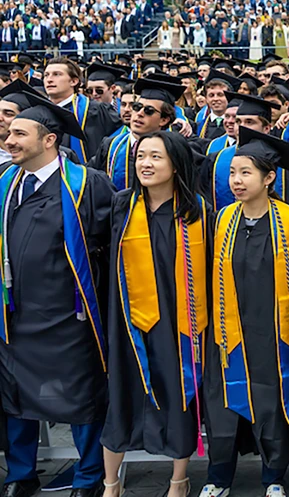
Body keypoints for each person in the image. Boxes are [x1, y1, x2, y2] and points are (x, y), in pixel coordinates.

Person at [0, 94, 115, 497]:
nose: (9, 139)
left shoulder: (88, 184)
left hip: (69, 316)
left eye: (19, 133)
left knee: (80, 396)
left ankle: (88, 477)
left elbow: (106, 246)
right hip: (15, 316)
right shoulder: (4, 183)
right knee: (15, 400)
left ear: (48, 140)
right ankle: (20, 474)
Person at [102, 131, 212, 497]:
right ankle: (110, 483)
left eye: (156, 157)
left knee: (179, 391)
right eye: (140, 157)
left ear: (176, 163)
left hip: (178, 320)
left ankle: (179, 479)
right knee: (122, 392)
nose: (145, 164)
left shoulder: (197, 211)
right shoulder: (121, 205)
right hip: (128, 318)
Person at [202, 128, 289, 497]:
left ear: (269, 177)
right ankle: (218, 478)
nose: (237, 181)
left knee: (272, 402)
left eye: (246, 173)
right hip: (228, 330)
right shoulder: (223, 219)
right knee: (222, 404)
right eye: (233, 173)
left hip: (272, 332)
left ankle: (273, 477)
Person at [90, 78, 183, 191]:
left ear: (163, 120)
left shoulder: (176, 149)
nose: (139, 114)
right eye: (137, 107)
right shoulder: (110, 145)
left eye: (149, 111)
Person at [42, 57, 122, 164]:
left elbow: (119, 142)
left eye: (57, 74)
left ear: (74, 81)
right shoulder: (37, 113)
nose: (49, 79)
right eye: (46, 75)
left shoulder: (97, 110)